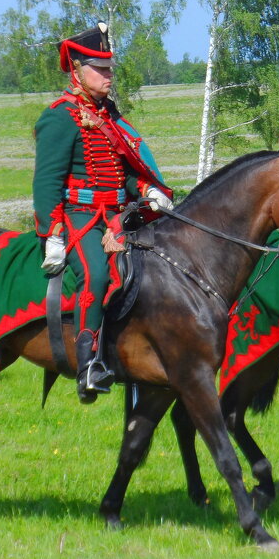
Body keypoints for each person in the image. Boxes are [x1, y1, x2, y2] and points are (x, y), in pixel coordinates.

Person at [32, 23, 173, 403]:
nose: (109, 75)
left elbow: (125, 173)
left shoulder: (109, 116)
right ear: (76, 69)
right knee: (96, 274)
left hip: (118, 214)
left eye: (110, 68)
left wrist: (148, 191)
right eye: (100, 68)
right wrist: (53, 232)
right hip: (81, 215)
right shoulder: (60, 117)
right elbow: (46, 183)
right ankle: (88, 364)